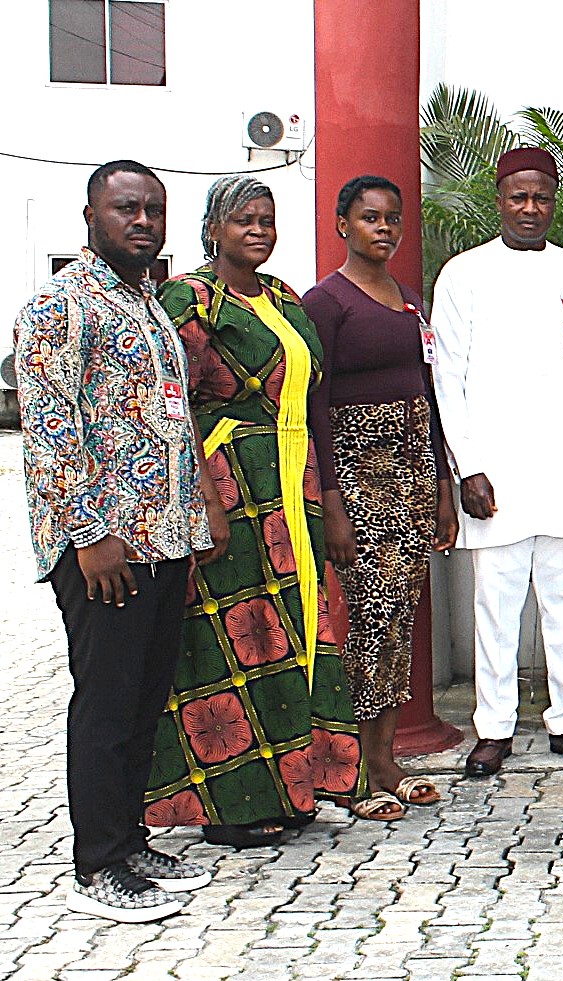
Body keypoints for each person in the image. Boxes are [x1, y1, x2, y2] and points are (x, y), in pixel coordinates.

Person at [142, 175, 387, 847]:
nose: (257, 231)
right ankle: (230, 806)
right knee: (235, 639)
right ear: (213, 228)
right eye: (243, 220)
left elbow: (311, 399)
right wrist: (205, 503)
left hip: (292, 486)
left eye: (266, 220)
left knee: (296, 633)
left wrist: (327, 497)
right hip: (230, 484)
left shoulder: (282, 297)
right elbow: (174, 405)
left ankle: (296, 786)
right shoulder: (189, 299)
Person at [18, 160, 224, 922]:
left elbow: (171, 417)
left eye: (153, 210)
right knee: (105, 705)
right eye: (126, 208)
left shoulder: (147, 302)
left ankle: (131, 840)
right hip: (105, 549)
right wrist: (90, 534)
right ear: (91, 217)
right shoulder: (60, 305)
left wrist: (197, 513)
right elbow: (50, 429)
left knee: (143, 700)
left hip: (163, 540)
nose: (142, 221)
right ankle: (97, 863)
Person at [431, 147, 563, 777]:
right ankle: (495, 727)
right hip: (496, 472)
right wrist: (467, 467)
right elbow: (447, 378)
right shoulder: (463, 274)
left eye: (541, 197)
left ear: (553, 202)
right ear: (500, 200)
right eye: (519, 197)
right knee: (496, 609)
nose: (530, 208)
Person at [300, 175, 455, 807]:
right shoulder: (325, 302)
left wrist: (442, 487)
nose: (384, 228)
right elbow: (314, 406)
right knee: (366, 623)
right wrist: (332, 502)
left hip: (413, 480)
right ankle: (355, 770)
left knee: (396, 624)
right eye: (370, 217)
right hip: (359, 483)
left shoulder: (409, 300)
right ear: (343, 224)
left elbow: (429, 394)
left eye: (392, 218)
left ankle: (385, 760)